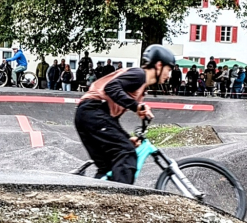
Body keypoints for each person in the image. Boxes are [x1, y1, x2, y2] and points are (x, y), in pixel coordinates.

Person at [74, 44, 175, 184]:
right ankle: (122, 200)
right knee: (126, 153)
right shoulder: (139, 75)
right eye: (168, 69)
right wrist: (136, 106)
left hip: (89, 115)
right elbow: (111, 87)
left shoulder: (141, 87)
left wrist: (127, 137)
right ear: (159, 65)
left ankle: (97, 200)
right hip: (93, 110)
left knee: (108, 167)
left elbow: (111, 118)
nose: (168, 75)